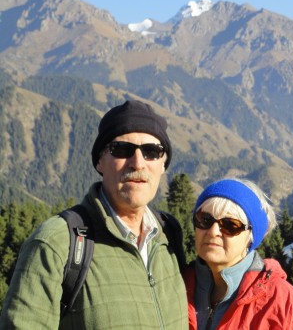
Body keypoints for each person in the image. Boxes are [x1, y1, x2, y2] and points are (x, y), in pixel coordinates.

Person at [0, 99, 188, 329]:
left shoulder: (169, 236)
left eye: (151, 151)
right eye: (122, 150)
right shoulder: (57, 243)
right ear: (100, 161)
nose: (137, 163)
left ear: (163, 164)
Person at [183, 178, 293, 330]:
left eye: (230, 225)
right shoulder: (175, 286)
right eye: (205, 219)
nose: (213, 232)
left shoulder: (282, 302)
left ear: (251, 237)